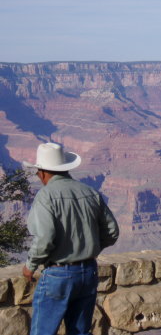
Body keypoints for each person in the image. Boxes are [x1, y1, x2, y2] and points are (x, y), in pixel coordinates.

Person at [22, 142, 120, 335]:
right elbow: (112, 232)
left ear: (42, 173)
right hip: (88, 272)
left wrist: (30, 265)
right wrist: (89, 248)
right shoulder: (90, 192)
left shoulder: (46, 196)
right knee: (80, 332)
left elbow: (44, 238)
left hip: (58, 275)